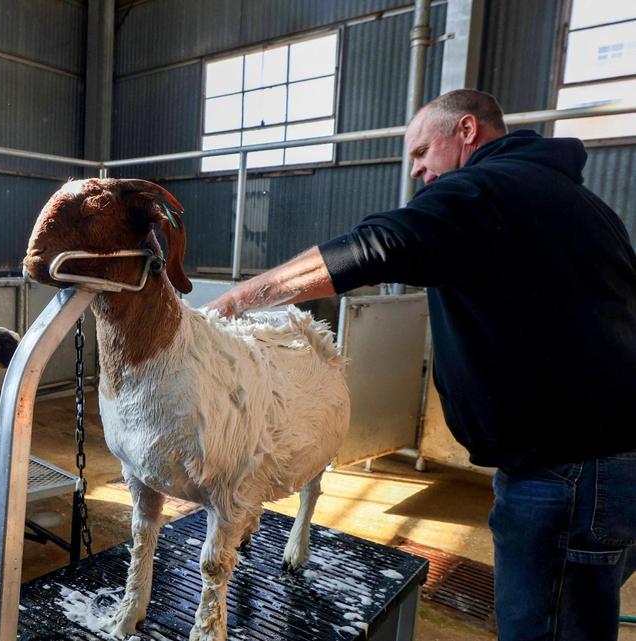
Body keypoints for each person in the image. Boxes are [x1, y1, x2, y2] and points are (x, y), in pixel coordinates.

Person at [205, 89, 636, 641]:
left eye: (420, 152)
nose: (417, 171)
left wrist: (236, 300)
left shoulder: (483, 189)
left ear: (466, 131)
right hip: (614, 466)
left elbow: (382, 242)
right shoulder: (584, 205)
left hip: (565, 476)